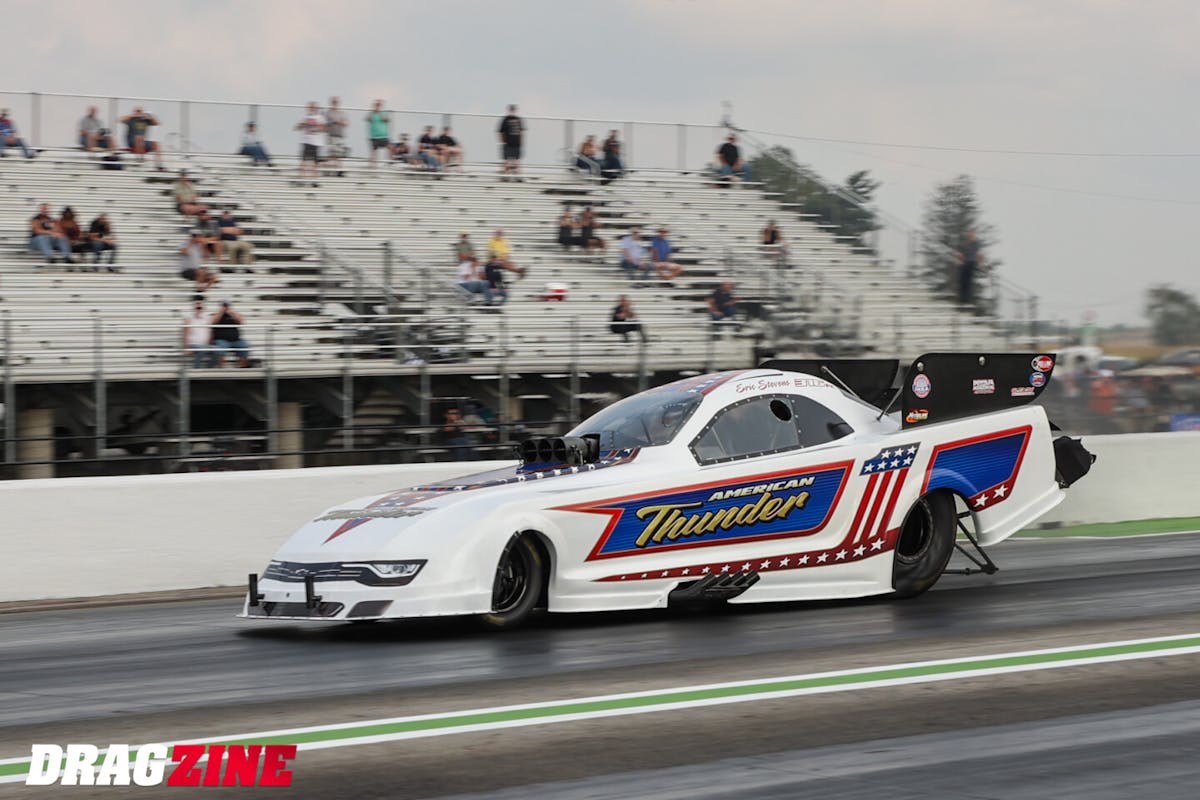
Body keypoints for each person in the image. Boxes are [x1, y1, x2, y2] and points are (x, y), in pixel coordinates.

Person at [210, 301, 252, 367]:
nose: (226, 307)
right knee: (220, 348)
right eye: (224, 306)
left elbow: (241, 321)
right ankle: (221, 368)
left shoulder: (233, 314)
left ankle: (243, 367)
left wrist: (231, 312)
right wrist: (221, 312)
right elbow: (213, 322)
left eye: (227, 306)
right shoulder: (217, 314)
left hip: (236, 340)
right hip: (222, 340)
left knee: (245, 345)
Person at [295, 101, 324, 186]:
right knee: (303, 161)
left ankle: (314, 180)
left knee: (315, 162)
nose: (312, 109)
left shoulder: (320, 117)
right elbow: (297, 128)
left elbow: (323, 129)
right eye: (311, 107)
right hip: (306, 141)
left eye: (314, 107)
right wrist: (303, 124)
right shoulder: (304, 117)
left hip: (315, 142)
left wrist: (316, 125)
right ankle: (301, 179)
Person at [182, 299, 214, 368]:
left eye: (200, 308)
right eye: (197, 308)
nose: (198, 309)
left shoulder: (207, 318)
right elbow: (185, 334)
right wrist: (186, 347)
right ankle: (196, 369)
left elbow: (210, 332)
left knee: (217, 350)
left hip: (205, 344)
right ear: (194, 308)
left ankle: (209, 369)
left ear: (203, 308)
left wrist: (209, 343)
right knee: (202, 349)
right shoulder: (189, 319)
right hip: (193, 344)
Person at [497, 104, 524, 178]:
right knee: (506, 161)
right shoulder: (505, 119)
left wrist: (521, 142)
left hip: (516, 144)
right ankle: (504, 176)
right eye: (511, 110)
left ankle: (518, 176)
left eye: (513, 110)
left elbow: (521, 132)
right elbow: (500, 132)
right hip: (508, 143)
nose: (512, 111)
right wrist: (503, 142)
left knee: (517, 161)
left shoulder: (518, 119)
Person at [324, 96, 347, 177]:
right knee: (333, 153)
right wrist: (331, 122)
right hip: (331, 135)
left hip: (340, 135)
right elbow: (324, 125)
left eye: (336, 102)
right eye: (333, 102)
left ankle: (338, 170)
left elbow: (346, 123)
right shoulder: (328, 113)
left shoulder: (342, 113)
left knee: (339, 154)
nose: (335, 103)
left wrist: (339, 122)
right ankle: (329, 168)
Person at [958, 230, 983, 305]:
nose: (969, 237)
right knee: (962, 280)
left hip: (972, 263)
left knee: (968, 281)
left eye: (971, 235)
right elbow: (962, 254)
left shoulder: (976, 244)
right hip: (965, 263)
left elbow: (979, 254)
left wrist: (980, 264)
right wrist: (960, 260)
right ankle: (962, 299)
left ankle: (967, 299)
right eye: (969, 235)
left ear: (973, 236)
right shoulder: (965, 244)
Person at [365, 100, 390, 168]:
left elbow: (386, 120)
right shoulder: (371, 114)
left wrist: (380, 113)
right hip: (374, 137)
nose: (377, 107)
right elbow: (367, 119)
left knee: (391, 147)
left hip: (383, 136)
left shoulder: (384, 113)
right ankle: (372, 166)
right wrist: (373, 110)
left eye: (379, 105)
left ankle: (391, 163)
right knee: (374, 152)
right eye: (376, 105)